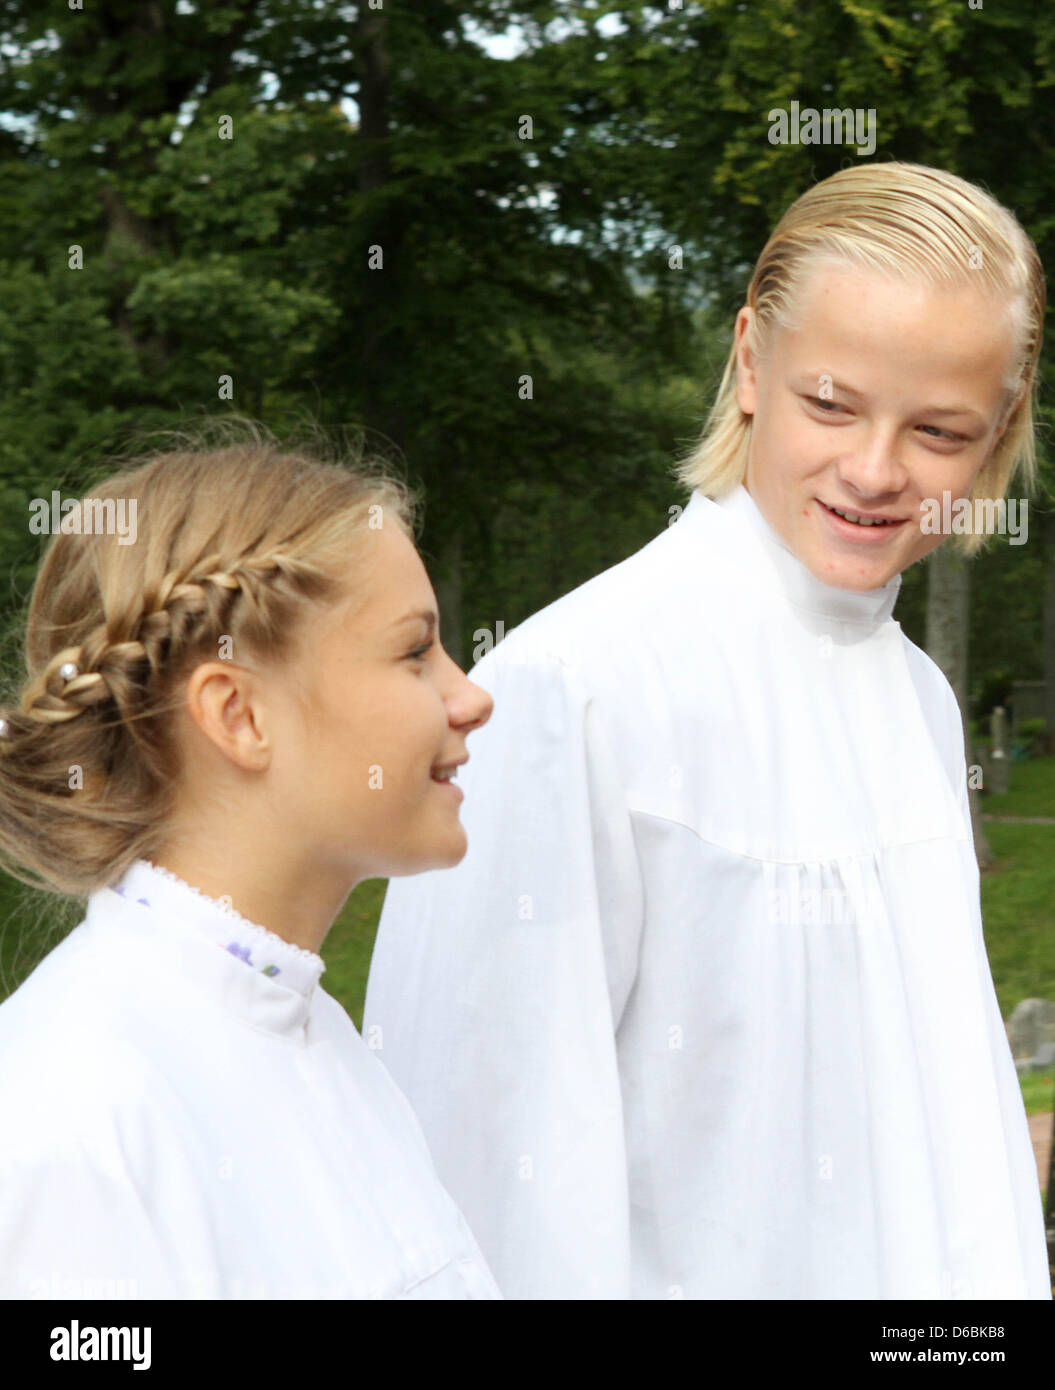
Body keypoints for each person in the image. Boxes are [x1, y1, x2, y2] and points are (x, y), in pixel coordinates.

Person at [365, 162, 1053, 1300]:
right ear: (748, 361)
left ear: (996, 434)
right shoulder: (568, 690)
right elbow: (477, 1169)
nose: (874, 471)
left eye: (937, 430)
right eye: (828, 404)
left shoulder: (918, 699)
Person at [0, 422, 500, 1299]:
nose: (470, 695)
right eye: (415, 651)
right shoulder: (75, 1116)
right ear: (240, 717)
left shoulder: (319, 1041)